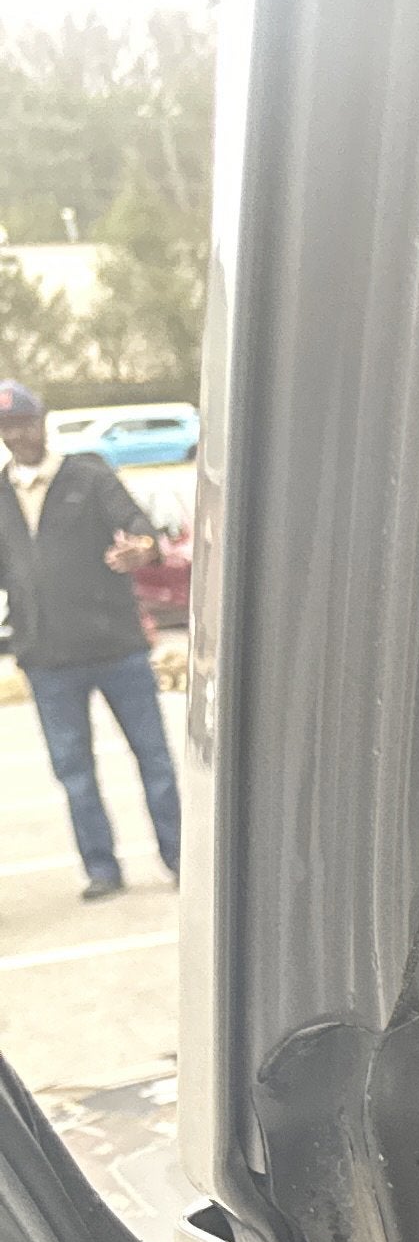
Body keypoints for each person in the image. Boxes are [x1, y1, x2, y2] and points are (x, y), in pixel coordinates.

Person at [0, 379, 181, 902]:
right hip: (47, 658)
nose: (18, 435)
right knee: (74, 772)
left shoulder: (89, 475)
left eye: (24, 422)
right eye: (7, 427)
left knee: (154, 759)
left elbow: (141, 529)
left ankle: (178, 858)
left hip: (116, 647)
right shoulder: (1, 493)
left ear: (42, 421)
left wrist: (142, 549)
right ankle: (102, 870)